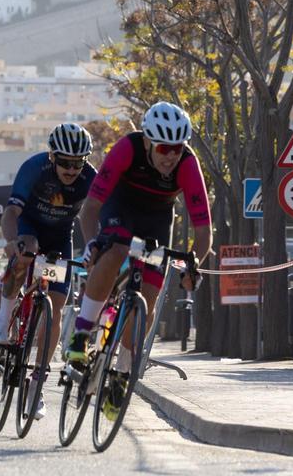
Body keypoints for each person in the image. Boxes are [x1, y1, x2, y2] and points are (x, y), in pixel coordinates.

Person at [65, 102, 211, 415]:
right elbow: (89, 208)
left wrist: (191, 265)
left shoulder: (187, 163)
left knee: (150, 296)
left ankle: (121, 373)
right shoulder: (126, 149)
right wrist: (92, 244)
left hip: (157, 220)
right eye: (163, 147)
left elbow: (203, 232)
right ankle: (81, 334)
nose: (171, 155)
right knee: (116, 249)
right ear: (147, 141)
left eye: (177, 147)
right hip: (120, 207)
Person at [0, 122, 97, 421]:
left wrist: (94, 250)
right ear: (52, 157)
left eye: (78, 163)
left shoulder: (91, 178)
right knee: (25, 254)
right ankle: (3, 321)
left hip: (61, 238)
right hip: (29, 227)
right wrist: (12, 242)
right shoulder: (34, 168)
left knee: (56, 306)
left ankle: (37, 384)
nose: (71, 169)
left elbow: (97, 216)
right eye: (64, 162)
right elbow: (11, 212)